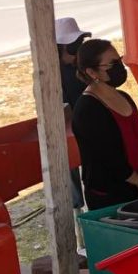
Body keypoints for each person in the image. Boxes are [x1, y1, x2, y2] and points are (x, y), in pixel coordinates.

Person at [70, 39, 138, 211]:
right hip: (110, 195)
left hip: (137, 188)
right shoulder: (88, 109)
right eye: (112, 64)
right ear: (92, 72)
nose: (120, 67)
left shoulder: (124, 97)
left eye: (119, 60)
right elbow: (108, 157)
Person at [54, 17, 91, 210]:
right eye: (74, 46)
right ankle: (75, 207)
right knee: (69, 164)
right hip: (65, 128)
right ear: (61, 48)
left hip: (87, 122)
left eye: (79, 44)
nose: (78, 51)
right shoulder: (51, 75)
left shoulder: (81, 67)